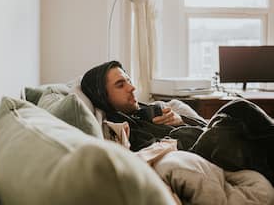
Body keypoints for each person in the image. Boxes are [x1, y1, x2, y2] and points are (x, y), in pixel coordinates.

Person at [81, 60, 274, 185]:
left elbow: (200, 125)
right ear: (103, 96)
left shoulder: (147, 110)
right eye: (120, 85)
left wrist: (180, 120)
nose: (132, 87)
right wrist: (175, 133)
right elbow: (150, 152)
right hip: (194, 153)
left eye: (129, 80)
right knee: (236, 110)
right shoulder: (119, 126)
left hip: (206, 139)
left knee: (239, 111)